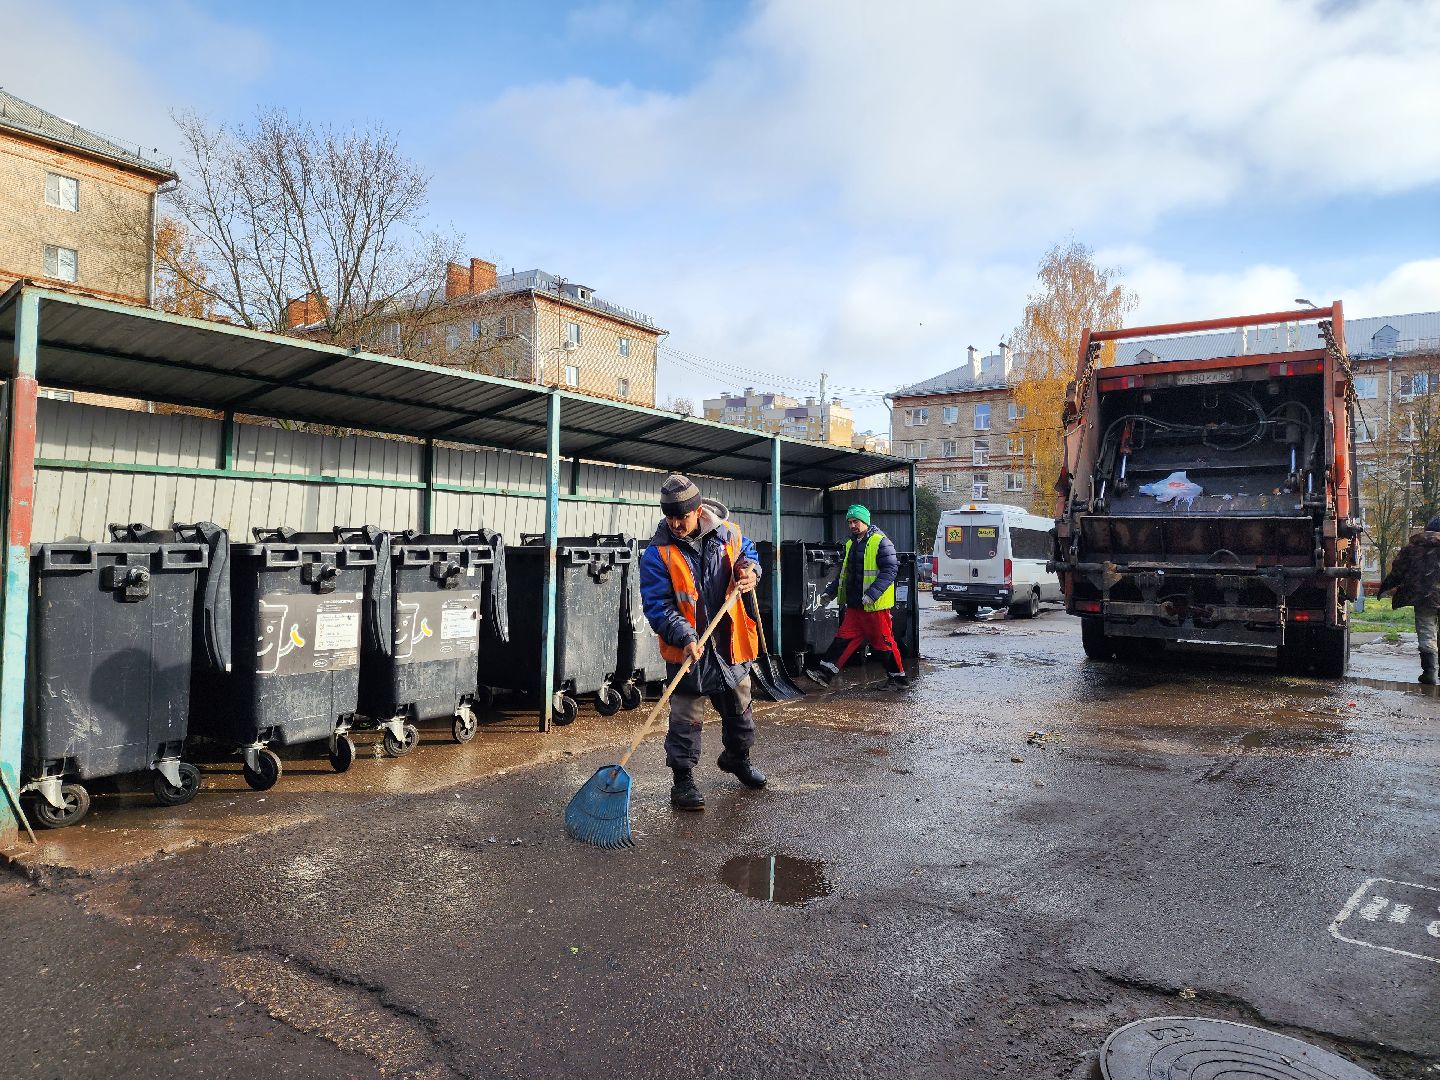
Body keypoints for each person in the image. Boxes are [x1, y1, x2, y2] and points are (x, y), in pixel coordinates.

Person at [639, 473, 768, 810]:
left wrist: (749, 570)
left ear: (698, 511)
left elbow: (748, 553)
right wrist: (684, 635)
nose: (676, 524)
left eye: (682, 516)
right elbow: (658, 606)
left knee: (740, 711)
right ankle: (682, 781)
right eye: (670, 517)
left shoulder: (729, 533)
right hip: (689, 649)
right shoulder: (657, 554)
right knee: (685, 718)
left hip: (729, 642)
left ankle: (737, 759)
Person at [805, 504, 908, 689]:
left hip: (874, 607)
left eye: (856, 521)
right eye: (850, 522)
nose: (853, 525)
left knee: (883, 643)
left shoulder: (881, 541)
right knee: (843, 639)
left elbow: (891, 569)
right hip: (855, 605)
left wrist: (872, 594)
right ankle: (824, 673)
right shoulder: (850, 544)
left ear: (865, 522)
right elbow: (845, 574)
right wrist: (830, 592)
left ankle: (898, 679)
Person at [1378, 515, 1440, 685]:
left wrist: (1384, 587)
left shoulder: (1412, 548)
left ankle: (1429, 672)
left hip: (1424, 597)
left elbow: (1398, 572)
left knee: (1427, 631)